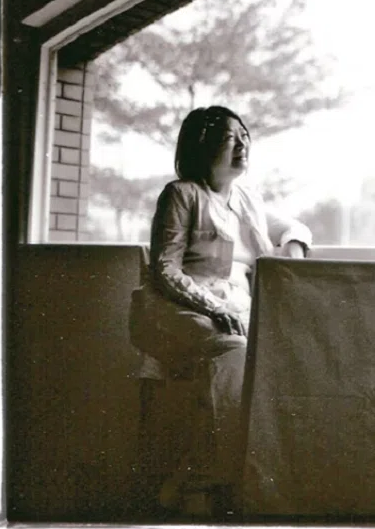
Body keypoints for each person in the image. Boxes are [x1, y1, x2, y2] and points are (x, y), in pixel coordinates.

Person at [131, 105, 312, 515]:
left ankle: (203, 477)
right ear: (204, 145)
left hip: (236, 309)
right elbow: (164, 268)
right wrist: (212, 306)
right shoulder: (181, 194)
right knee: (234, 351)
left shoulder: (247, 199)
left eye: (245, 135)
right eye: (232, 137)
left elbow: (293, 228)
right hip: (179, 307)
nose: (243, 143)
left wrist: (294, 248)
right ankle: (211, 481)